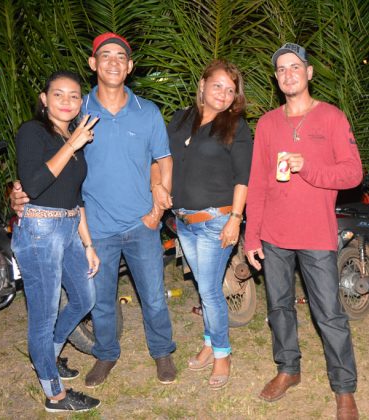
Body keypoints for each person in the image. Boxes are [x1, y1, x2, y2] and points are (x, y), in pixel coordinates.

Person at [10, 33, 177, 388]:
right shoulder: (75, 110)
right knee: (100, 301)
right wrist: (20, 190)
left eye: (121, 56)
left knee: (153, 296)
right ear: (93, 64)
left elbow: (162, 158)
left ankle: (162, 351)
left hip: (142, 223)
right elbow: (46, 156)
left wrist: (157, 208)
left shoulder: (147, 112)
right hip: (95, 226)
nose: (113, 62)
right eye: (105, 55)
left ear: (130, 67)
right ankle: (106, 354)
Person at [244, 43, 363, 420]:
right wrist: (252, 235)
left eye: (295, 67)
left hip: (315, 234)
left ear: (309, 72)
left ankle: (344, 388)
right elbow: (257, 182)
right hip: (274, 235)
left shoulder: (331, 117)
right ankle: (288, 368)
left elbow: (353, 173)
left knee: (328, 313)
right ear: (276, 78)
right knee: (279, 307)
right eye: (281, 69)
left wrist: (307, 167)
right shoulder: (267, 123)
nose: (288, 74)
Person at [155, 59, 252, 390]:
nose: (223, 94)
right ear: (202, 85)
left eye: (230, 90)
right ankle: (210, 343)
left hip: (217, 220)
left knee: (209, 290)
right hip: (184, 221)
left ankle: (222, 354)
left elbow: (243, 178)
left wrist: (235, 220)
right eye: (217, 86)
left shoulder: (236, 126)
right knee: (204, 286)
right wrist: (158, 187)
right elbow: (162, 158)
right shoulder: (180, 118)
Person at [12, 70, 100, 412]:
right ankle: (55, 396)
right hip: (40, 232)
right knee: (44, 315)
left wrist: (88, 245)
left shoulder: (74, 138)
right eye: (58, 94)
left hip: (69, 228)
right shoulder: (32, 132)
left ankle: (49, 354)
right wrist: (72, 144)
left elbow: (75, 197)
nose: (67, 101)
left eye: (74, 95)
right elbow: (33, 184)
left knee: (84, 298)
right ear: (44, 99)